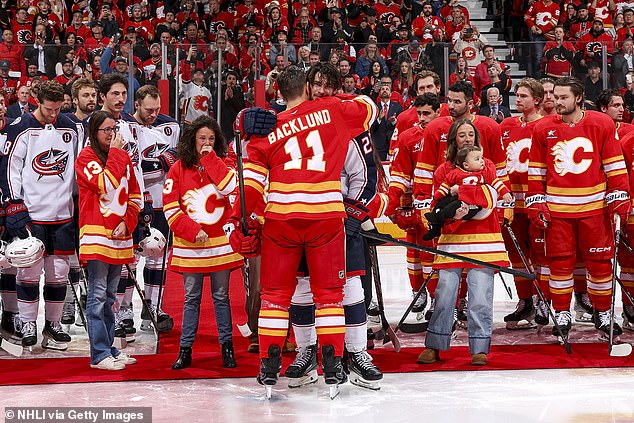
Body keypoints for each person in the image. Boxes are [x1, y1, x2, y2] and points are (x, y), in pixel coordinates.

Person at [231, 65, 377, 389]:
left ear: (279, 92)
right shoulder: (336, 110)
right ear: (308, 88)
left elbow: (251, 186)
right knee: (329, 296)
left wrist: (241, 222)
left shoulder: (265, 129)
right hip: (326, 217)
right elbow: (370, 107)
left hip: (281, 220)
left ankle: (269, 364)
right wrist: (339, 98)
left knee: (274, 297)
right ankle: (333, 363)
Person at [285, 63, 382, 390]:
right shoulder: (292, 120)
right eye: (317, 85)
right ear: (307, 88)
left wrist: (353, 217)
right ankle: (306, 351)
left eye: (329, 86)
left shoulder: (347, 119)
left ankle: (356, 353)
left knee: (352, 289)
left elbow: (365, 175)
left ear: (338, 89)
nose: (322, 91)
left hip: (337, 221)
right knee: (302, 290)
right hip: (299, 219)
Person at [526, 76, 630, 341]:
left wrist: (619, 197)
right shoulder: (542, 128)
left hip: (594, 209)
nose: (556, 101)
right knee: (559, 264)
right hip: (558, 212)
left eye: (563, 97)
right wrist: (536, 200)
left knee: (600, 264)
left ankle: (603, 312)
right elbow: (536, 170)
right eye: (554, 96)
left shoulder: (601, 123)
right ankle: (561, 313)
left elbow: (614, 164)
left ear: (579, 98)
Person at [418, 119, 509, 366]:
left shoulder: (487, 166)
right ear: (453, 141)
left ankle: (479, 347)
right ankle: (435, 346)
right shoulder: (443, 171)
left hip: (485, 242)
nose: (467, 139)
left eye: (471, 134)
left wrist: (461, 192)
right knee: (444, 294)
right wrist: (453, 217)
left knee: (480, 296)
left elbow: (491, 197)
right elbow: (438, 208)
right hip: (452, 241)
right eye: (462, 135)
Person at [0, 80, 78, 349]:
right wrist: (14, 205)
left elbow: (75, 168)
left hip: (63, 214)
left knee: (58, 272)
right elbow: (10, 169)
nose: (54, 114)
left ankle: (53, 325)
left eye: (58, 108)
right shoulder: (20, 128)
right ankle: (28, 322)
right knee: (29, 272)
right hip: (32, 213)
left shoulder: (69, 126)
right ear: (37, 101)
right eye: (48, 109)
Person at [163, 115, 242, 370]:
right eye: (201, 139)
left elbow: (231, 187)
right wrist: (190, 230)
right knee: (191, 298)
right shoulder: (178, 168)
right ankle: (185, 350)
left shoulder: (225, 164)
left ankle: (227, 348)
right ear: (192, 141)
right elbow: (170, 206)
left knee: (221, 297)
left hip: (220, 244)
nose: (206, 143)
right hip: (190, 246)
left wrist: (210, 160)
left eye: (211, 139)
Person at [75, 110, 140, 370]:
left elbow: (135, 196)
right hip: (95, 236)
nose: (112, 135)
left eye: (115, 129)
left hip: (120, 237)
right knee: (97, 296)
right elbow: (106, 183)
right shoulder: (86, 157)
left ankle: (110, 348)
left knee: (111, 297)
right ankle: (99, 354)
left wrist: (129, 222)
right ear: (94, 132)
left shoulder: (121, 158)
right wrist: (117, 154)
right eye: (107, 130)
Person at [499, 77, 550, 330]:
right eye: (517, 95)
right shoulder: (506, 125)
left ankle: (544, 299)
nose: (518, 100)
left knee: (540, 255)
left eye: (523, 96)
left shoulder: (548, 126)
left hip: (538, 203)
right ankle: (525, 300)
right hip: (512, 205)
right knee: (516, 256)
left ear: (537, 100)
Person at [386, 93, 441, 319]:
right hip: (416, 204)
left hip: (441, 203)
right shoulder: (408, 137)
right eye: (419, 113)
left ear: (438, 112)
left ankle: (443, 297)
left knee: (439, 254)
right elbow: (399, 173)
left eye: (427, 113)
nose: (422, 118)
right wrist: (392, 205)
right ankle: (419, 291)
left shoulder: (448, 134)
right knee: (415, 252)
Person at [134, 84, 180, 334]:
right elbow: (135, 166)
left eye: (157, 109)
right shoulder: (126, 126)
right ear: (137, 105)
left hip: (164, 203)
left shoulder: (171, 125)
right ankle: (123, 313)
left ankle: (153, 306)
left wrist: (169, 161)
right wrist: (159, 163)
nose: (153, 114)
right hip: (137, 201)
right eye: (148, 110)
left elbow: (179, 159)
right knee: (131, 259)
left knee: (159, 258)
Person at [423, 144, 512, 241]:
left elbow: (496, 182)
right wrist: (437, 196)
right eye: (477, 159)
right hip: (458, 198)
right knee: (441, 203)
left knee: (454, 205)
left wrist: (505, 193)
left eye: (482, 157)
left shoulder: (485, 172)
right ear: (466, 165)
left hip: (473, 204)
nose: (482, 161)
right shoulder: (456, 172)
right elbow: (446, 184)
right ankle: (434, 229)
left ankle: (437, 217)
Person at [370, 75, 402, 160]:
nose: (385, 91)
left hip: (393, 145)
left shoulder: (398, 107)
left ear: (391, 93)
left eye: (387, 89)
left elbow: (401, 126)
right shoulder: (374, 108)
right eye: (382, 89)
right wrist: (379, 119)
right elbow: (371, 128)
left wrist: (394, 121)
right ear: (379, 93)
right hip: (379, 147)